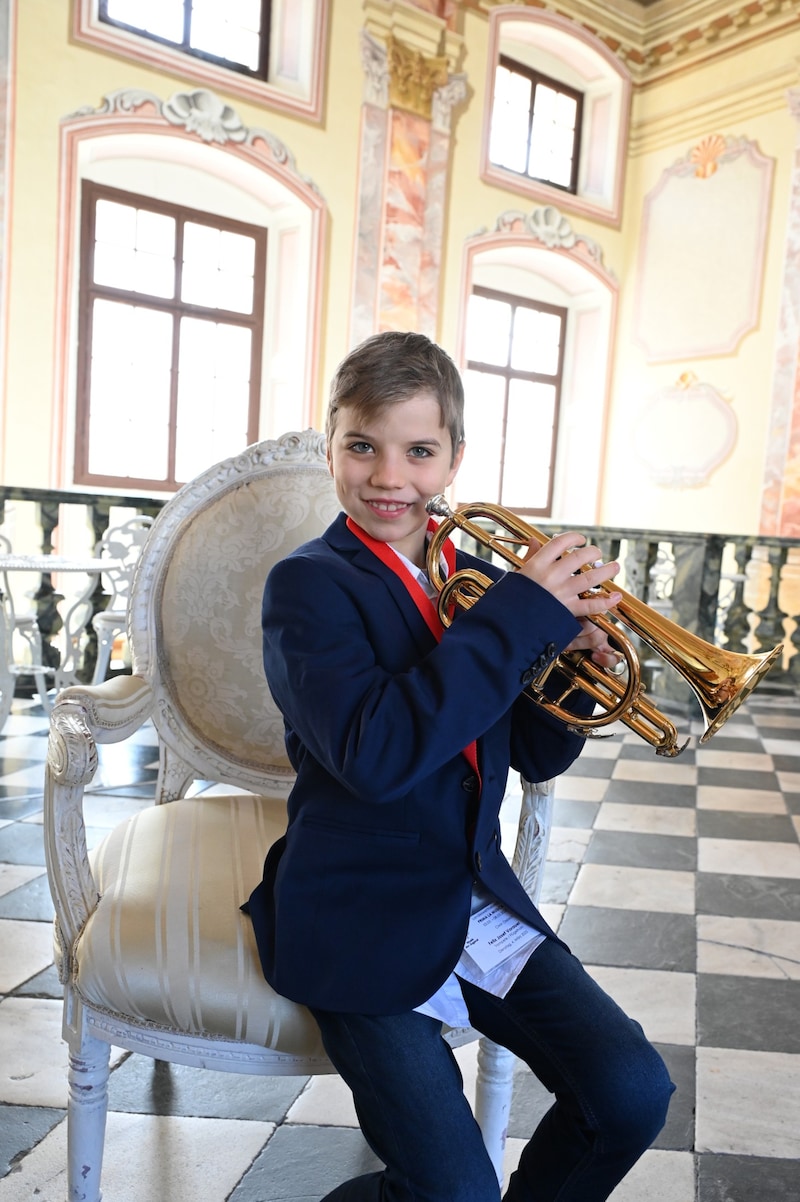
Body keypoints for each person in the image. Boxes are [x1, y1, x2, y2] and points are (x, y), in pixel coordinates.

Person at [246, 331, 674, 1202]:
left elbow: (533, 748)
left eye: (419, 451)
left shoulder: (466, 578)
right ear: (330, 445)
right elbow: (377, 755)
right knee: (453, 1192)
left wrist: (576, 671)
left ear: (453, 462)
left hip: (469, 901)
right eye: (362, 446)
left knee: (633, 1095)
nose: (388, 475)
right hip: (357, 915)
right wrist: (520, 619)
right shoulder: (308, 586)